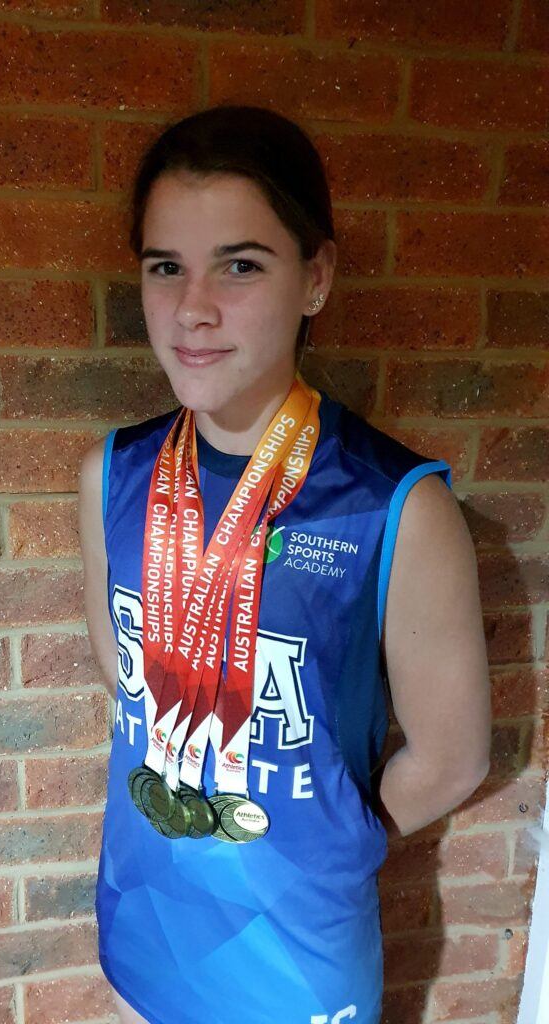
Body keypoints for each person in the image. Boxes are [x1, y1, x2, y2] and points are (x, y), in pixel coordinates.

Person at [78, 104, 491, 1024]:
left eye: (240, 265)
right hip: (147, 910)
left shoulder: (393, 507)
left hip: (294, 954)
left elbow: (453, 760)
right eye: (165, 266)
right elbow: (123, 674)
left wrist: (324, 840)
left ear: (316, 277)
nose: (193, 308)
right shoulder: (110, 473)